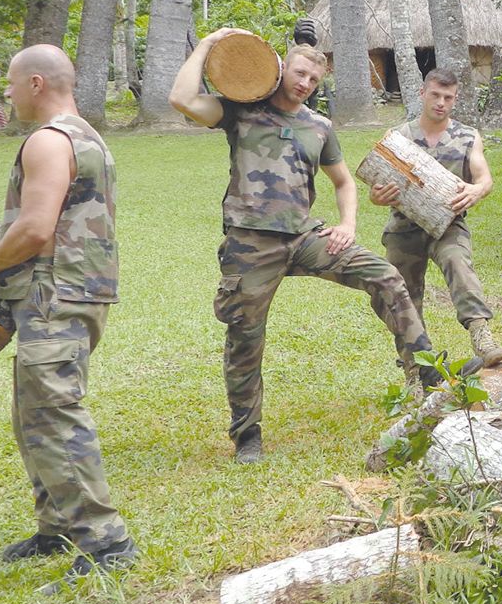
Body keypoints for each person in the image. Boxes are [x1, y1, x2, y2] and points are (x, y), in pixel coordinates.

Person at [169, 28, 433, 464]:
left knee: (384, 276)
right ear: (281, 68)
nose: (305, 83)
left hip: (306, 236)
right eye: (299, 73)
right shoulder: (242, 111)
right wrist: (207, 44)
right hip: (250, 244)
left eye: (313, 79)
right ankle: (247, 434)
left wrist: (348, 223)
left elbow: (344, 182)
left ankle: (427, 372)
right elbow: (182, 99)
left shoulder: (319, 126)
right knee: (245, 337)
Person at [0, 44, 136, 591]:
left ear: (35, 83)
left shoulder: (49, 142)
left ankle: (106, 541)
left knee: (52, 415)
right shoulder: (87, 135)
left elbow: (34, 229)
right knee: (32, 411)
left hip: (55, 293)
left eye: (9, 83)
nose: (4, 93)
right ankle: (55, 525)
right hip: (76, 290)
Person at [369, 68, 502, 371]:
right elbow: (375, 190)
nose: (441, 102)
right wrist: (378, 197)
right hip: (403, 227)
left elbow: (484, 178)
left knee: (458, 264)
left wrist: (475, 190)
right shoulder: (398, 138)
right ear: (422, 93)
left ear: (455, 100)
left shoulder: (467, 137)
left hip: (448, 224)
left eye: (448, 97)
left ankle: (481, 335)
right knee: (397, 295)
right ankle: (416, 367)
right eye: (435, 95)